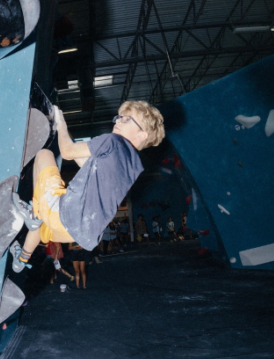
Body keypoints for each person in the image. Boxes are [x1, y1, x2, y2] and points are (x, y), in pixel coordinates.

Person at [10, 101, 165, 271]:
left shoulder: (113, 141)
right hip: (75, 233)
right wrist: (65, 130)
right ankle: (21, 259)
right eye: (119, 117)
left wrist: (61, 123)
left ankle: (34, 214)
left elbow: (68, 152)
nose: (118, 121)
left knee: (44, 154)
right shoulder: (132, 168)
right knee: (40, 224)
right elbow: (85, 164)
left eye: (127, 120)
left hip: (64, 214)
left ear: (142, 134)